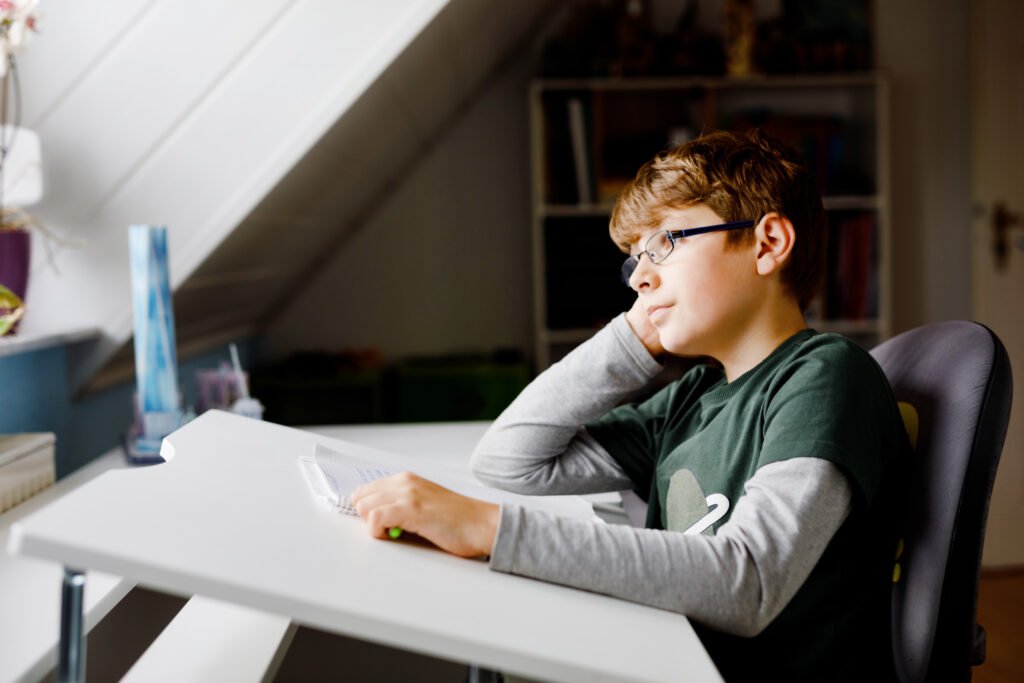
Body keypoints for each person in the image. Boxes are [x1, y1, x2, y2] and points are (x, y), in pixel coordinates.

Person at [350, 130, 908, 681]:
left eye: (666, 242)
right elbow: (509, 460)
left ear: (767, 245)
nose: (640, 276)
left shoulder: (823, 375)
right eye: (635, 261)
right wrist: (631, 340)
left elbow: (750, 581)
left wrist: (489, 529)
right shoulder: (692, 398)